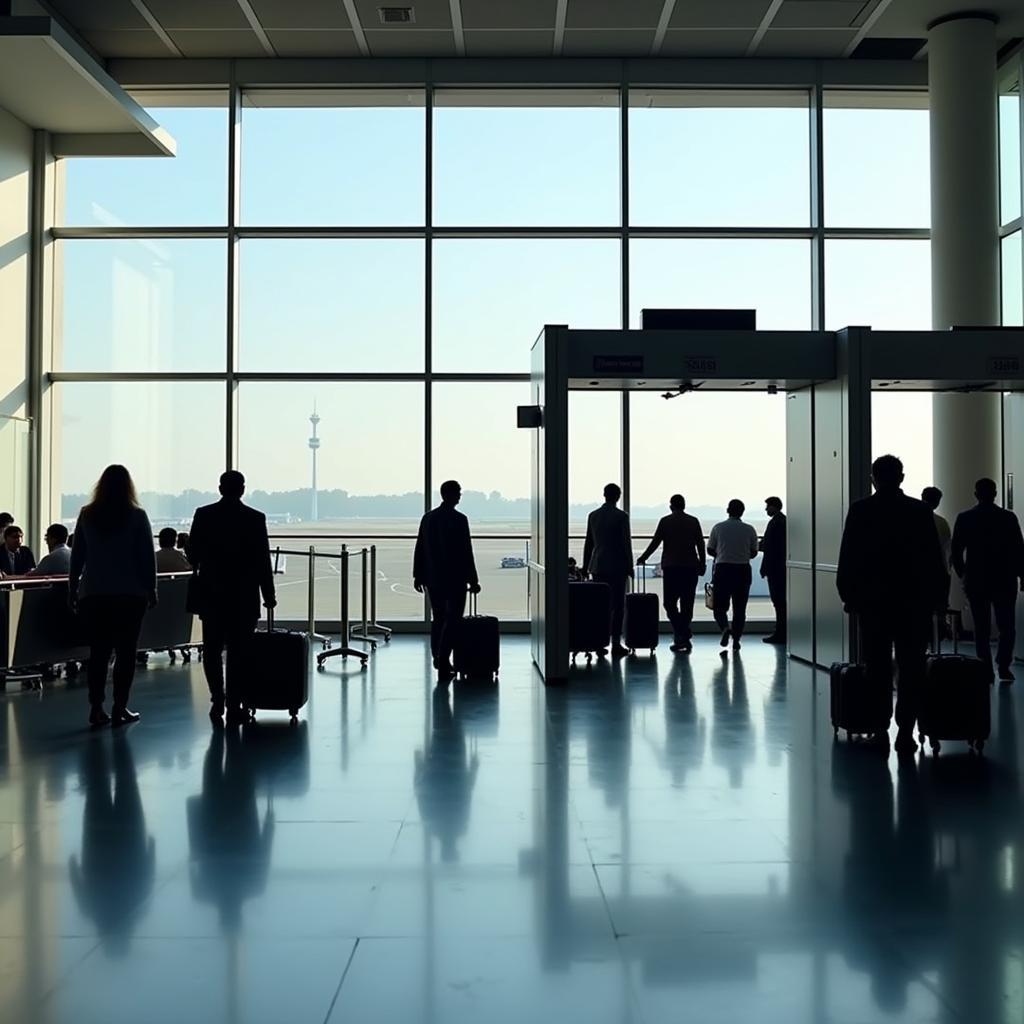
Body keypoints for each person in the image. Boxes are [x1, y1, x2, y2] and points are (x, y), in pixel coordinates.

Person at [837, 455, 948, 754]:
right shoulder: (919, 511)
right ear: (901, 477)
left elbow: (849, 556)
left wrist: (849, 596)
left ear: (873, 479)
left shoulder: (861, 511)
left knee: (877, 667)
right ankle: (905, 733)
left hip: (873, 604)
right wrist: (939, 600)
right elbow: (933, 560)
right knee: (912, 668)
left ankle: (879, 728)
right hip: (914, 604)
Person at [69, 465, 157, 728]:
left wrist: (72, 588)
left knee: (98, 653)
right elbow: (146, 557)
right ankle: (120, 707)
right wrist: (151, 588)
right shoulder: (137, 516)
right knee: (126, 653)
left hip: (94, 594)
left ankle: (96, 707)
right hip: (131, 595)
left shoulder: (87, 515)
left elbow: (77, 557)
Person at [188, 471, 277, 722]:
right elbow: (263, 561)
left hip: (212, 594)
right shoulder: (255, 518)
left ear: (220, 488)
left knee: (212, 650)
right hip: (244, 596)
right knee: (240, 652)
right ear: (242, 489)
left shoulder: (203, 515)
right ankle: (235, 703)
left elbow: (193, 556)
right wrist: (268, 595)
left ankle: (218, 699)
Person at [951, 477, 1024, 683]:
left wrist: (963, 574)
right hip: (1004, 578)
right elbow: (1019, 549)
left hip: (977, 579)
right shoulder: (1008, 518)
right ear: (995, 494)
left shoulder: (965, 518)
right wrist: (1022, 574)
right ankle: (1003, 666)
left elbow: (956, 551)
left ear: (976, 494)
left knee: (981, 628)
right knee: (1006, 626)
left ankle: (985, 668)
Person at [413, 480, 480, 679]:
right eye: (458, 492)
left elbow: (420, 548)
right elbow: (466, 552)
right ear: (450, 495)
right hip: (455, 578)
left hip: (433, 578)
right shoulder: (460, 520)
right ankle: (443, 659)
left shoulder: (428, 518)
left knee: (439, 618)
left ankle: (438, 657)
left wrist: (418, 575)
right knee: (453, 620)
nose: (460, 495)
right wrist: (473, 579)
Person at [637, 494, 706, 654]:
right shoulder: (693, 521)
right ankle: (683, 635)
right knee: (687, 604)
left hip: (672, 567)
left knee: (669, 603)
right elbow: (700, 543)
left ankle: (681, 634)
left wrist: (643, 557)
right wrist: (702, 563)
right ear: (684, 505)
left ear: (671, 506)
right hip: (690, 567)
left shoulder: (665, 521)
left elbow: (656, 542)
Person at [583, 483, 634, 658]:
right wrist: (630, 566)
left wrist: (585, 566)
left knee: (600, 606)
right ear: (618, 496)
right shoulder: (621, 516)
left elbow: (589, 543)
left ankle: (598, 643)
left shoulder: (593, 516)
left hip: (598, 566)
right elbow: (626, 543)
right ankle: (615, 644)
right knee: (618, 606)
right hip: (617, 566)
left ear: (604, 495)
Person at [707, 500, 759, 652]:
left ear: (727, 510)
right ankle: (736, 640)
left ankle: (724, 628)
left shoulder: (718, 528)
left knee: (719, 607)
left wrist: (721, 553)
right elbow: (754, 553)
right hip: (742, 570)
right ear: (742, 512)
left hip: (723, 569)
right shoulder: (749, 529)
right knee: (740, 608)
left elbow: (710, 549)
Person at [760, 496, 787, 645]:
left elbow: (770, 546)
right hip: (779, 568)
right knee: (781, 602)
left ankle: (780, 632)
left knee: (778, 601)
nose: (766, 509)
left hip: (775, 569)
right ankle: (781, 631)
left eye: (767, 506)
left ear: (774, 506)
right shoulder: (782, 521)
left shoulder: (776, 523)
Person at [921, 487, 952, 569]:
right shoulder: (942, 522)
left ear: (922, 497)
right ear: (937, 502)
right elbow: (947, 547)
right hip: (938, 567)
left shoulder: (911, 519)